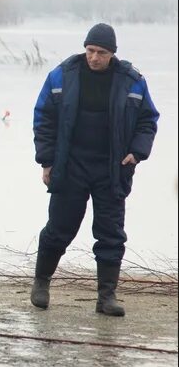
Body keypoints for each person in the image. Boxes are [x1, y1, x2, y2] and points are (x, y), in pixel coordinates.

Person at [31, 23, 159, 316]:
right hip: (70, 166)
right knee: (59, 229)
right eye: (90, 50)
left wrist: (137, 153)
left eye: (101, 52)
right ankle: (41, 282)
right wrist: (46, 161)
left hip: (112, 168)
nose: (94, 57)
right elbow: (43, 119)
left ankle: (106, 297)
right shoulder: (62, 75)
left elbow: (148, 120)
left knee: (111, 233)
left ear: (112, 53)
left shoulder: (132, 80)